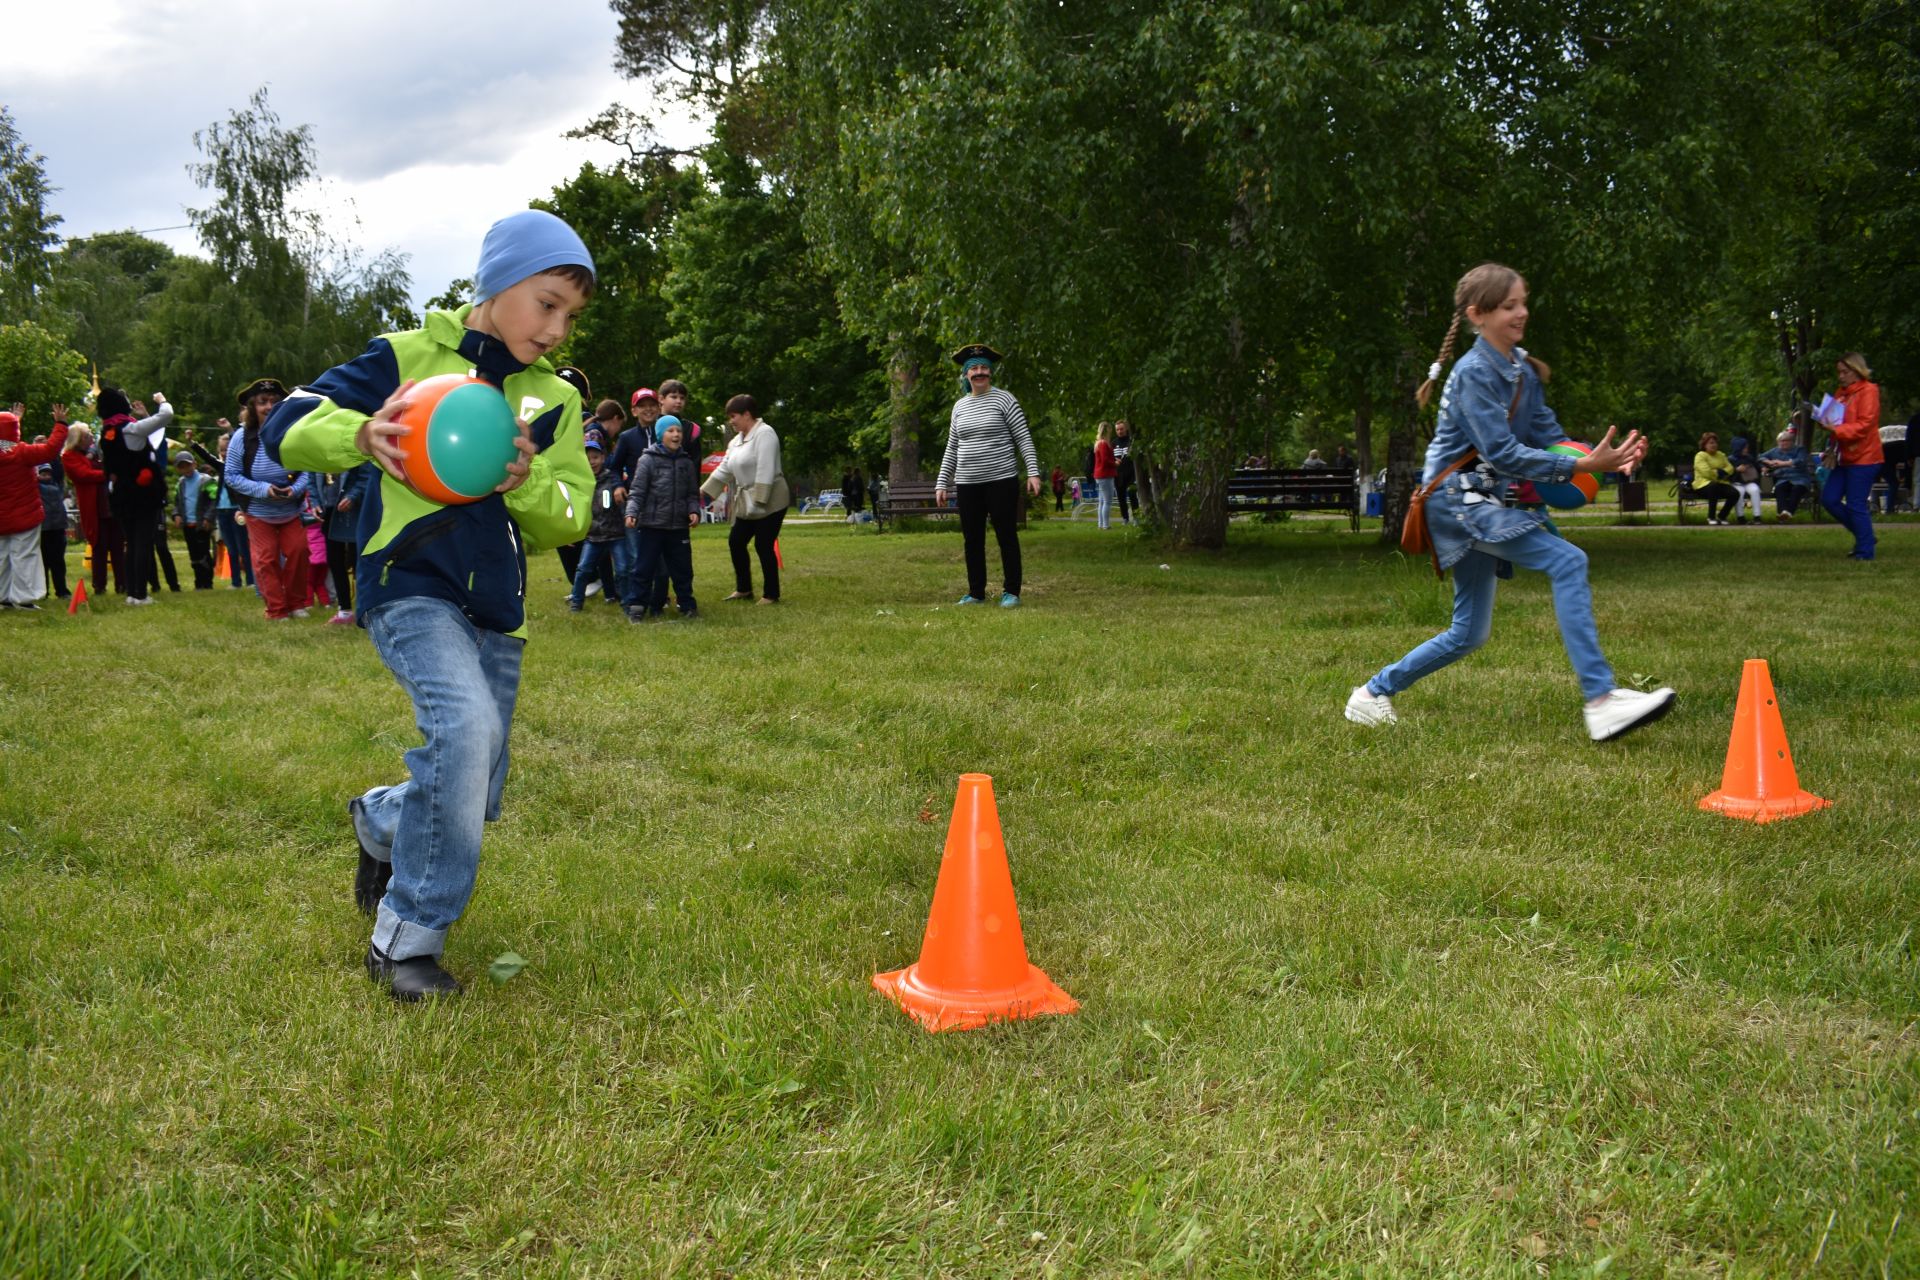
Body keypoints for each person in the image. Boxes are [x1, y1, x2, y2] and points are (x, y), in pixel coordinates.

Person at [265, 207, 596, 1001]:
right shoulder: (404, 358)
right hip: (409, 587)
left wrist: (525, 485)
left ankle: (382, 821)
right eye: (546, 303)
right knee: (465, 730)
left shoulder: (553, 401)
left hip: (499, 611)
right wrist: (364, 433)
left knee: (472, 789)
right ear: (495, 284)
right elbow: (288, 424)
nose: (556, 330)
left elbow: (572, 514)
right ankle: (407, 938)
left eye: (571, 316)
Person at [1343, 262, 1674, 742]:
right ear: (1478, 314)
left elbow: (1548, 438)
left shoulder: (1522, 371)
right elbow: (1502, 452)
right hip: (1458, 504)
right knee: (1568, 562)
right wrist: (1582, 467)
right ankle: (1601, 701)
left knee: (1468, 633)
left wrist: (1605, 459)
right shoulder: (1474, 373)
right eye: (1508, 306)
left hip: (1482, 502)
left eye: (1523, 302)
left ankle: (1371, 695)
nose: (1521, 313)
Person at [934, 344, 1041, 605]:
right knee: (972, 540)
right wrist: (942, 482)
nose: (979, 372)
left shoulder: (1005, 400)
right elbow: (952, 447)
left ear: (990, 372)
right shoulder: (959, 407)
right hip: (968, 483)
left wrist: (1033, 472)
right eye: (974, 369)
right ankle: (975, 592)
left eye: (984, 368)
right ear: (966, 375)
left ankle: (1011, 592)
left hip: (1001, 480)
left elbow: (1023, 438)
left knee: (1006, 535)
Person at [224, 377, 311, 620]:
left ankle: (296, 603)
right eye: (263, 402)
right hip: (258, 510)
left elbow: (308, 469)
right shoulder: (241, 437)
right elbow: (231, 475)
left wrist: (294, 489)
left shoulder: (293, 432)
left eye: (274, 401)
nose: (269, 406)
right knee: (267, 559)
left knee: (298, 552)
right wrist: (264, 489)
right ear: (253, 406)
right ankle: (276, 609)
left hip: (291, 508)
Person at [701, 393, 789, 605]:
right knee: (736, 541)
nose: (731, 421)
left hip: (771, 499)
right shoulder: (735, 442)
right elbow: (725, 469)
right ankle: (743, 589)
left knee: (763, 545)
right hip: (746, 502)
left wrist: (759, 501)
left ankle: (771, 594)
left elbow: (765, 469)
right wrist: (703, 492)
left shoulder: (765, 434)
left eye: (734, 416)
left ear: (747, 414)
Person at [95, 388, 172, 606]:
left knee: (131, 542)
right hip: (142, 493)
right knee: (143, 543)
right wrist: (161, 400)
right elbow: (166, 415)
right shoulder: (131, 429)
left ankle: (131, 592)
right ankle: (140, 593)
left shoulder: (106, 432)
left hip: (120, 494)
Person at [623, 414, 701, 620]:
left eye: (679, 431)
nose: (676, 435)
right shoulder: (647, 460)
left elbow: (692, 494)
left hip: (678, 527)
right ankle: (637, 606)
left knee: (683, 569)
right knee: (644, 568)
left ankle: (687, 604)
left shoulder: (687, 463)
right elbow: (637, 491)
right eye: (670, 431)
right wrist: (631, 512)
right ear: (660, 435)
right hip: (652, 525)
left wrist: (694, 510)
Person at [0, 403, 69, 609]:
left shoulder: (13, 450)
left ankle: (3, 597)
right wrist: (61, 424)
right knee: (25, 556)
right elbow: (51, 449)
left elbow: (4, 441)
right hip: (25, 514)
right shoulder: (23, 453)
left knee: (2, 556)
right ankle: (24, 599)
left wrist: (14, 421)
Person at [1819, 353, 1883, 560]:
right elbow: (1833, 421)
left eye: (1845, 372)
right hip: (1844, 457)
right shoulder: (1841, 393)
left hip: (1865, 457)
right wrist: (1823, 421)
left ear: (1857, 371)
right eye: (1839, 372)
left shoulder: (1869, 391)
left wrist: (1836, 430)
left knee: (1856, 504)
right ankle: (1865, 536)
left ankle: (1865, 552)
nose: (1841, 376)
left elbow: (1865, 425)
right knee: (1829, 499)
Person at [610, 387, 660, 608]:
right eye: (643, 405)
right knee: (635, 553)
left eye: (652, 405)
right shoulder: (627, 437)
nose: (648, 409)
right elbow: (613, 468)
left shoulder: (667, 432)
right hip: (635, 503)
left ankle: (658, 598)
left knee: (660, 553)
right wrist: (618, 486)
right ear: (634, 410)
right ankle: (634, 599)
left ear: (659, 408)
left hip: (662, 503)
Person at [569, 430, 626, 612]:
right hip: (593, 536)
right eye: (587, 457)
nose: (592, 461)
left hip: (616, 534)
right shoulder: (580, 482)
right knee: (583, 569)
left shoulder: (613, 479)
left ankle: (627, 601)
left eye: (595, 457)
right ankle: (576, 602)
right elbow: (575, 508)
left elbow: (622, 499)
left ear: (603, 457)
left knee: (623, 569)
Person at [60, 426, 120, 596]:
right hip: (94, 508)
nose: (91, 439)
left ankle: (122, 584)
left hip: (110, 505)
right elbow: (83, 474)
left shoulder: (95, 454)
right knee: (99, 548)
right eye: (87, 436)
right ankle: (99, 586)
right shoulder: (69, 456)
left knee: (117, 546)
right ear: (78, 439)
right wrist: (107, 474)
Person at [318, 462, 377, 623]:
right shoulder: (319, 442)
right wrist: (316, 502)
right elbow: (312, 475)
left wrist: (352, 496)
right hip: (328, 509)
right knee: (335, 560)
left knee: (359, 561)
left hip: (354, 511)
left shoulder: (355, 440)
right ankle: (344, 610)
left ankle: (364, 608)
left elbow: (366, 476)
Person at [208, 425, 254, 589]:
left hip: (237, 510)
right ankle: (236, 581)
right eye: (222, 450)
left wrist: (229, 429)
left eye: (227, 449)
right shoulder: (221, 466)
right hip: (222, 510)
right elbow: (207, 458)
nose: (225, 452)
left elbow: (241, 440)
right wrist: (192, 443)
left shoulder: (240, 465)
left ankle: (250, 580)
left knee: (243, 545)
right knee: (230, 547)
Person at [170, 449, 219, 589]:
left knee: (203, 554)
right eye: (182, 467)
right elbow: (177, 502)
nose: (186, 469)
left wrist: (208, 518)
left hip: (202, 524)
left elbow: (214, 500)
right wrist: (176, 515)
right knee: (194, 556)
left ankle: (207, 582)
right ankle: (198, 582)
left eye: (188, 465)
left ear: (195, 464)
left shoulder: (206, 481)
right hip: (187, 524)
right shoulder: (180, 483)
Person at [1758, 428, 1812, 521]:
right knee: (1779, 489)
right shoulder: (1774, 451)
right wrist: (1767, 462)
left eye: (1786, 441)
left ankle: (1786, 514)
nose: (1783, 443)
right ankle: (1784, 513)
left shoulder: (1799, 449)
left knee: (1797, 489)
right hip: (1783, 478)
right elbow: (1760, 457)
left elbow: (1801, 461)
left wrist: (1783, 463)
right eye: (1780, 441)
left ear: (1792, 442)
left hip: (1800, 478)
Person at [37, 449, 70, 600]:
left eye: (48, 473)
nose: (46, 476)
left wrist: (52, 451)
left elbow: (58, 470)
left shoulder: (57, 485)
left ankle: (62, 590)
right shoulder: (36, 487)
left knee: (58, 562)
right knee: (43, 563)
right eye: (43, 473)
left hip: (58, 528)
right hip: (43, 529)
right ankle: (43, 591)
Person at [1690, 432, 1739, 526]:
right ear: (1704, 444)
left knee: (1735, 493)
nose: (1714, 445)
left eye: (1715, 443)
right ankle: (1711, 517)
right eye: (1711, 443)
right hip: (1702, 485)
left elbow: (1730, 468)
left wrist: (1719, 472)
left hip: (1719, 483)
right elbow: (1706, 472)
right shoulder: (1700, 455)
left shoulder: (1721, 455)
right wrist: (1719, 473)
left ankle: (1722, 516)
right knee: (1713, 486)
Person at [1726, 435, 1762, 525]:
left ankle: (1757, 516)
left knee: (1755, 489)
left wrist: (1760, 468)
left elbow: (1757, 467)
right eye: (1745, 448)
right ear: (1739, 448)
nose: (1747, 450)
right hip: (1736, 483)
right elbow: (1727, 474)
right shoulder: (1730, 459)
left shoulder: (1749, 458)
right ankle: (1740, 517)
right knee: (1739, 492)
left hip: (1748, 481)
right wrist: (1736, 470)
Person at [1091, 421, 1117, 530]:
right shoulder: (1103, 444)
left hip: (1099, 475)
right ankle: (1105, 525)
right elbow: (1105, 460)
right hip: (1105, 475)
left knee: (1102, 501)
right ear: (1107, 431)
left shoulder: (1098, 443)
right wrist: (1115, 463)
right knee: (1107, 501)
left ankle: (1100, 524)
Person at [1112, 420, 1138, 524]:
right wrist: (1114, 461)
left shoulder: (1131, 441)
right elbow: (1109, 458)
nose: (1120, 431)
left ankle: (1136, 518)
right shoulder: (1113, 443)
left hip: (1131, 473)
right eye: (1117, 429)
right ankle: (1125, 518)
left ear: (1126, 429)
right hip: (1118, 475)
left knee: (1132, 495)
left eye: (1121, 429)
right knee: (1121, 497)